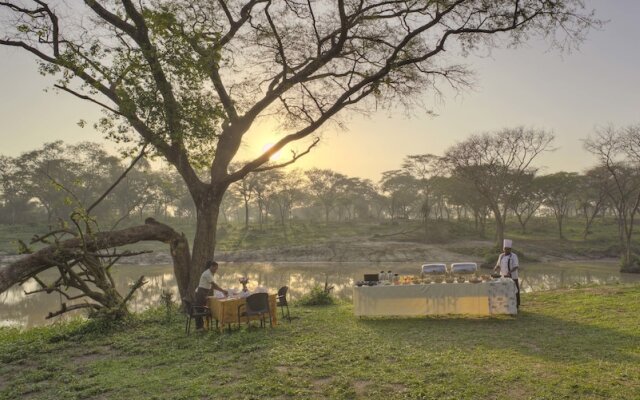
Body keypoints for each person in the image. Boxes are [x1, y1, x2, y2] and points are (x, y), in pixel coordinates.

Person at [194, 260, 228, 330]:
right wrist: (223, 291)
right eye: (215, 268)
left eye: (217, 269)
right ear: (211, 267)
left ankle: (201, 326)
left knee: (201, 309)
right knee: (199, 309)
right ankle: (199, 327)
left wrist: (221, 291)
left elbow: (212, 286)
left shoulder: (210, 273)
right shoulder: (207, 274)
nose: (216, 270)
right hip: (201, 292)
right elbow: (214, 285)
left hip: (204, 292)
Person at [493, 239, 520, 308]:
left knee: (514, 290)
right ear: (503, 249)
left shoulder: (514, 256)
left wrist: (509, 272)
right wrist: (496, 267)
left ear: (510, 249)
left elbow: (516, 266)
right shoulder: (501, 256)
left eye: (508, 249)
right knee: (504, 290)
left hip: (512, 276)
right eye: (505, 249)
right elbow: (498, 264)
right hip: (503, 276)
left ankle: (516, 305)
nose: (506, 250)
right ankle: (505, 304)